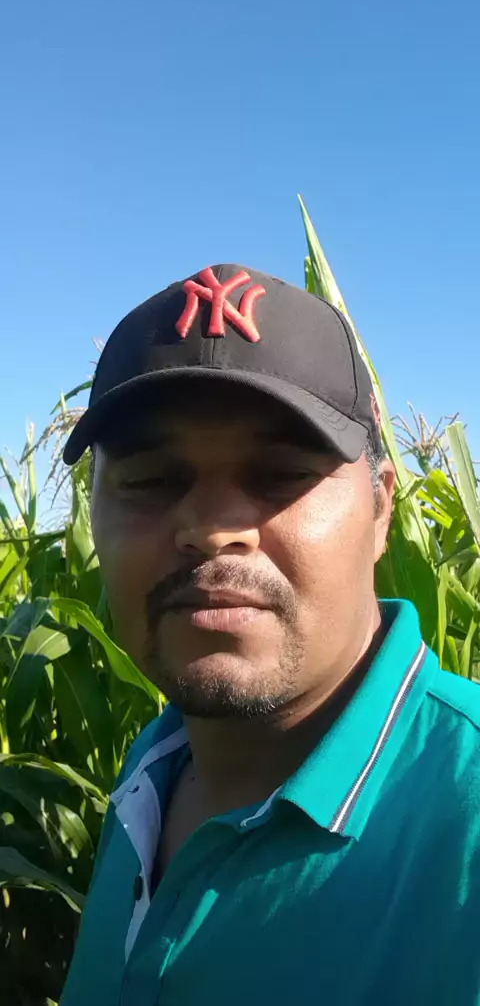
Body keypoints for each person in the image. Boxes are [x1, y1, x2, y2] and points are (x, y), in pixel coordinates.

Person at [61, 264, 480, 1006]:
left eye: (281, 474)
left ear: (382, 511)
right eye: (151, 480)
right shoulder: (152, 770)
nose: (210, 529)